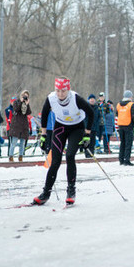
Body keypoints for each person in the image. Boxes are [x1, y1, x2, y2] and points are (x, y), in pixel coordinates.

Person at [34, 77, 94, 205]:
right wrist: (43, 135)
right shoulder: (51, 98)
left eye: (63, 91)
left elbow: (91, 113)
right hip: (60, 127)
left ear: (68, 89)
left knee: (70, 155)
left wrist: (87, 134)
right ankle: (45, 193)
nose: (60, 94)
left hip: (77, 128)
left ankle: (71, 191)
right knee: (55, 161)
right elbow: (44, 114)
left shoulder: (76, 98)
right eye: (58, 91)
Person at [116, 90, 134, 166]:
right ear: (130, 97)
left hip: (120, 125)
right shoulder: (131, 105)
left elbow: (117, 114)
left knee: (123, 143)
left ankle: (121, 159)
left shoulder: (119, 105)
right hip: (128, 125)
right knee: (128, 143)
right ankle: (127, 160)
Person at [9, 90, 32, 162]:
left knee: (22, 143)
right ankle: (11, 156)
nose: (25, 97)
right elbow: (16, 109)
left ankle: (21, 156)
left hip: (24, 125)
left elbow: (28, 112)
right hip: (16, 124)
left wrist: (27, 104)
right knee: (14, 142)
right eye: (24, 96)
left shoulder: (26, 103)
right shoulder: (16, 102)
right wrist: (21, 102)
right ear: (21, 96)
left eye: (26, 96)